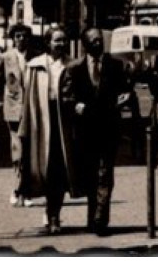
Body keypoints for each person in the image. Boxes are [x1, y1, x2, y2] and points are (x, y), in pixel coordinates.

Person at [63, 28, 134, 235]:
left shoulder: (115, 66)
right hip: (85, 132)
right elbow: (66, 97)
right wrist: (75, 105)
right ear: (85, 45)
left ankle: (100, 221)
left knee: (105, 175)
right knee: (91, 176)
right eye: (93, 41)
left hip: (108, 129)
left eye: (100, 40)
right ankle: (92, 218)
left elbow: (126, 92)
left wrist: (123, 100)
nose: (98, 43)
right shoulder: (74, 69)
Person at [19, 27, 79, 235]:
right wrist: (24, 128)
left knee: (61, 171)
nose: (61, 44)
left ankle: (55, 216)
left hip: (64, 122)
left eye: (64, 40)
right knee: (45, 169)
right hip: (42, 122)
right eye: (57, 41)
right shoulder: (35, 66)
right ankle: (50, 210)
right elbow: (27, 100)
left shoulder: (72, 65)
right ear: (48, 43)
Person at [0, 24, 32, 206]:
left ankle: (23, 190)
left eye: (24, 36)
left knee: (28, 151)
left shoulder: (35, 57)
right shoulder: (6, 57)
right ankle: (18, 189)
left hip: (32, 109)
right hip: (12, 110)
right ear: (13, 38)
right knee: (18, 149)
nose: (21, 39)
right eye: (18, 36)